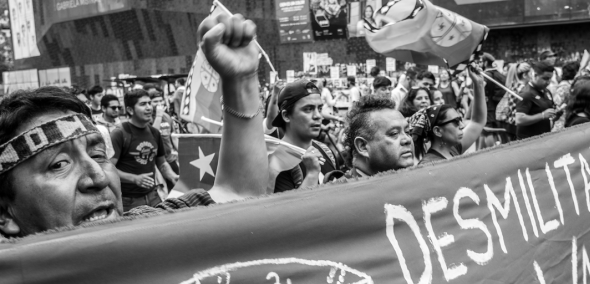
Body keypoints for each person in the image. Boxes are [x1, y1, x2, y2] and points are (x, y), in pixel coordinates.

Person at [0, 13, 270, 238]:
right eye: (59, 164)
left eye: (97, 155)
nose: (99, 177)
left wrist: (241, 80)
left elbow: (238, 192)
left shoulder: (145, 230)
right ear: (5, 213)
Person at [271, 78, 341, 192]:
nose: (318, 116)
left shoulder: (326, 151)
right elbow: (286, 208)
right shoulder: (276, 162)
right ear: (286, 116)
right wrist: (312, 174)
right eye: (308, 109)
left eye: (319, 108)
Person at [410, 67, 486, 163]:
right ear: (437, 131)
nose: (462, 126)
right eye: (455, 122)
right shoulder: (428, 165)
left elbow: (478, 122)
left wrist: (478, 83)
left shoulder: (453, 150)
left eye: (460, 120)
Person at [343, 95, 414, 178]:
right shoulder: (341, 189)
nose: (407, 140)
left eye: (408, 132)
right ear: (363, 146)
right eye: (394, 133)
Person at [515, 61, 556, 140]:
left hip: (543, 138)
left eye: (550, 78)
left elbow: (548, 114)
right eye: (545, 78)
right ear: (535, 75)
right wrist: (542, 115)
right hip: (528, 141)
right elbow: (519, 119)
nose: (548, 82)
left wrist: (555, 114)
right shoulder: (526, 93)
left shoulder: (546, 91)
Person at [149, 87, 179, 190]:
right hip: (155, 162)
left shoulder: (167, 117)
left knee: (175, 188)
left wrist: (179, 152)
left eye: (160, 100)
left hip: (169, 159)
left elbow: (173, 137)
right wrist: (158, 116)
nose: (159, 103)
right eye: (155, 101)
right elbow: (152, 136)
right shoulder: (146, 118)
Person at [502, 62, 531, 140]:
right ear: (525, 75)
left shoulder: (512, 85)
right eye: (531, 73)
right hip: (518, 125)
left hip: (510, 123)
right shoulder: (524, 89)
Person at [551, 61, 579, 132]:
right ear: (575, 72)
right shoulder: (564, 86)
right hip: (562, 126)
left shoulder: (573, 84)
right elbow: (556, 106)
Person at [481, 53, 507, 128]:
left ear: (485, 63)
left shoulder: (486, 75)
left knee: (489, 132)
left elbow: (480, 87)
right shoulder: (500, 74)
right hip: (500, 109)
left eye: (480, 62)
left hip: (489, 109)